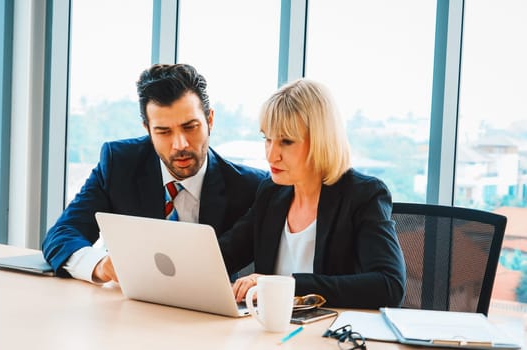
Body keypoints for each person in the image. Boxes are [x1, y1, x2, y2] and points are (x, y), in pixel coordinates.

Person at [42, 63, 267, 283]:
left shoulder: (250, 186)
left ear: (210, 120)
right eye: (164, 131)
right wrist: (101, 266)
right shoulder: (119, 163)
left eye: (190, 127)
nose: (180, 144)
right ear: (147, 130)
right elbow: (62, 234)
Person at [218, 78, 406, 309]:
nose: (271, 155)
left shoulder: (363, 195)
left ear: (321, 142)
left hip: (330, 333)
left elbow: (389, 286)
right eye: (267, 138)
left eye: (286, 141)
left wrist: (285, 285)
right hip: (270, 329)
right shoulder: (271, 191)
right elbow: (224, 255)